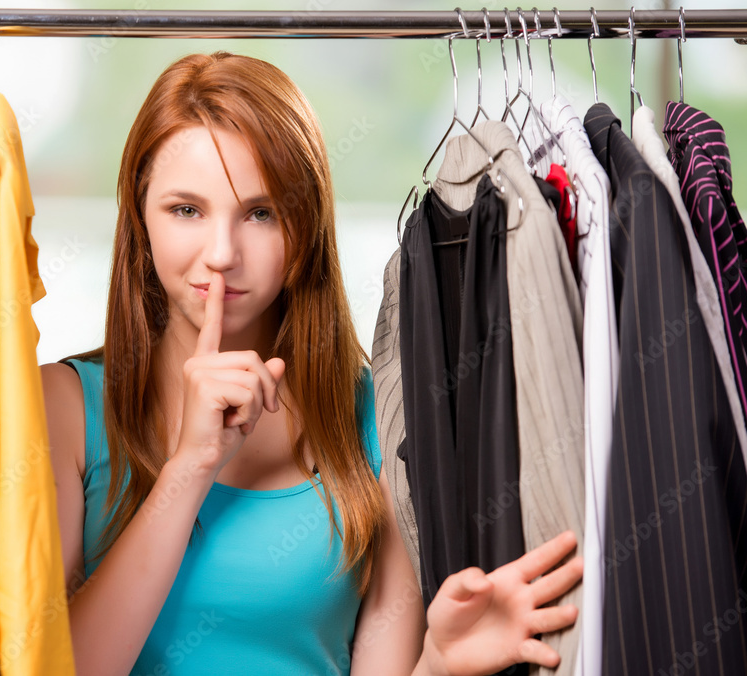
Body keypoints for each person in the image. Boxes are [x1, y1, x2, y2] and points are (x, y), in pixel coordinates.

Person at [41, 51, 583, 676]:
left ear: (305, 229)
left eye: (261, 213)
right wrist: (189, 467)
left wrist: (438, 663)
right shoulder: (62, 407)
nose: (221, 253)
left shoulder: (380, 418)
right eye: (186, 210)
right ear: (140, 219)